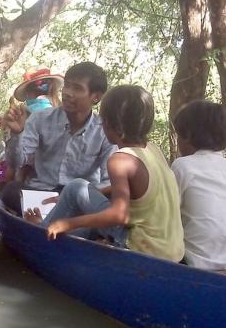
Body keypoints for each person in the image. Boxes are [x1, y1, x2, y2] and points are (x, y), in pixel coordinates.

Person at [27, 85, 184, 262]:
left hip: (139, 247)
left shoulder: (120, 159)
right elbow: (138, 190)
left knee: (75, 187)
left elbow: (119, 215)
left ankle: (41, 231)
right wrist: (91, 196)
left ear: (109, 124)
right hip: (173, 251)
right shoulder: (153, 150)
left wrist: (67, 223)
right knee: (82, 197)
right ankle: (50, 228)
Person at [1, 61, 117, 215]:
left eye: (77, 88)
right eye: (67, 86)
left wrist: (72, 197)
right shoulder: (39, 119)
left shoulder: (104, 130)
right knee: (10, 191)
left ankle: (49, 218)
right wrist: (16, 134)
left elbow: (109, 180)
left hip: (78, 199)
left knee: (113, 197)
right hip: (42, 193)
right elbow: (16, 163)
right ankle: (61, 219)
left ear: (95, 97)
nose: (67, 92)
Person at [171, 100, 226, 270]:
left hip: (193, 263)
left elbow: (168, 213)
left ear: (187, 135)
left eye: (178, 135)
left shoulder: (183, 166)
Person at [0, 67, 63, 183]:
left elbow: (14, 164)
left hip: (30, 180)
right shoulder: (63, 114)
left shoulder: (23, 114)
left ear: (28, 93)